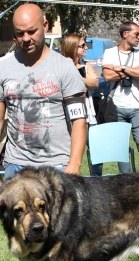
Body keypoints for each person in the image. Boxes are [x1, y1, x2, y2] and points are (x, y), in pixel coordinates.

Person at [0, 3, 99, 261]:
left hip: (57, 171)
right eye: (20, 34)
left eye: (32, 31)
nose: (26, 38)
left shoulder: (63, 68)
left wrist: (73, 165)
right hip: (18, 168)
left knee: (72, 240)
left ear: (45, 26)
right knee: (27, 239)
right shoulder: (4, 67)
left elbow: (79, 121)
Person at [102, 21, 139, 173]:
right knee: (121, 148)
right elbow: (107, 75)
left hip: (137, 106)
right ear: (125, 34)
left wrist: (123, 68)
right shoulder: (110, 53)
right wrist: (133, 70)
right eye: (136, 34)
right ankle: (126, 182)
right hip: (117, 106)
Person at [60, 34, 101, 176]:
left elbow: (94, 83)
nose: (86, 48)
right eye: (82, 45)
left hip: (89, 115)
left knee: (96, 154)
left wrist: (75, 77)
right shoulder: (62, 66)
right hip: (71, 117)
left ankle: (96, 180)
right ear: (72, 47)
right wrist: (84, 80)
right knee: (72, 153)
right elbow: (88, 82)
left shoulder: (86, 64)